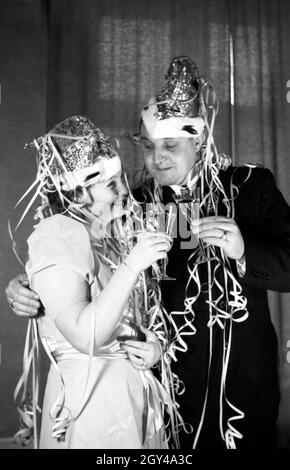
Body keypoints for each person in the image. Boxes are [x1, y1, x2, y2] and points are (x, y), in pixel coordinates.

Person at [6, 57, 290, 449]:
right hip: (161, 387)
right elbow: (82, 264)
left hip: (241, 387)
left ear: (200, 140)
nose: (156, 159)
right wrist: (29, 285)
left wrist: (243, 250)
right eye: (148, 146)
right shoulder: (132, 201)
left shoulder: (250, 185)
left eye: (170, 146)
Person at [7, 114, 179, 449]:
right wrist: (134, 264)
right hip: (91, 407)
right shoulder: (60, 232)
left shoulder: (110, 237)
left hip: (130, 402)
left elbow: (123, 322)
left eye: (120, 178)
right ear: (75, 193)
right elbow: (86, 335)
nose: (123, 190)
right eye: (109, 183)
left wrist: (153, 346)